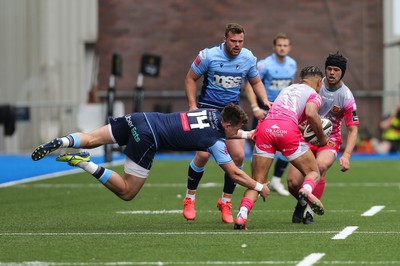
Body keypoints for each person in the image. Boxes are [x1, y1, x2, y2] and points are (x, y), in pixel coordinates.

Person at [31, 104, 270, 204]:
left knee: (91, 138)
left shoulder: (213, 112)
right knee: (127, 191)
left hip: (140, 118)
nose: (237, 132)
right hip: (148, 138)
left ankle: (63, 140)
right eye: (237, 129)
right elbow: (235, 174)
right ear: (227, 126)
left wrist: (248, 135)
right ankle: (84, 163)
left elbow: (225, 131)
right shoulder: (214, 141)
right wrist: (259, 187)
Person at [182, 23, 271, 224]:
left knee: (238, 155)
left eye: (240, 41)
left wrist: (264, 100)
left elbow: (255, 81)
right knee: (203, 154)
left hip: (230, 113)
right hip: (206, 109)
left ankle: (225, 201)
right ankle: (190, 198)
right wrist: (192, 106)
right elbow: (190, 79)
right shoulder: (209, 56)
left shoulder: (248, 58)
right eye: (233, 41)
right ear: (225, 39)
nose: (237, 45)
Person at [234, 66, 328, 230]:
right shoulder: (314, 94)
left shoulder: (288, 88)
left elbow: (283, 114)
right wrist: (321, 139)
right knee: (313, 172)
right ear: (319, 82)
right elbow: (311, 113)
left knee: (256, 182)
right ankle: (305, 191)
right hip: (287, 131)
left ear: (301, 79)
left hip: (265, 128)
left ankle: (242, 215)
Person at [287, 51, 360, 225]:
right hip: (305, 137)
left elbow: (353, 129)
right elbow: (295, 112)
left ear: (342, 72)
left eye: (336, 69)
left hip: (329, 140)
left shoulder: (346, 96)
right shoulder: (313, 87)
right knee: (292, 183)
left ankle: (309, 212)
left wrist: (347, 156)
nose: (332, 73)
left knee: (319, 166)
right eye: (329, 69)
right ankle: (303, 202)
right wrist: (300, 126)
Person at [245, 33, 297, 196]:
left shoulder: (292, 64)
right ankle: (256, 182)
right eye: (279, 45)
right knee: (260, 149)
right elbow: (249, 85)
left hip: (283, 112)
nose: (282, 48)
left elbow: (290, 86)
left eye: (285, 45)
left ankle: (275, 180)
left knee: (288, 145)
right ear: (274, 47)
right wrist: (255, 108)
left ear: (289, 47)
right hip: (264, 110)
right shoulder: (264, 65)